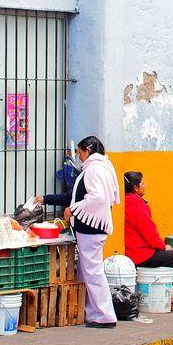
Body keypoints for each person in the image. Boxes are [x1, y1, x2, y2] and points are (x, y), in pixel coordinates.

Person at [36, 136, 119, 328]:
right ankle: (92, 313)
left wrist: (73, 209)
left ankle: (105, 316)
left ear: (88, 150)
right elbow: (74, 195)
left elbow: (97, 197)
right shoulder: (102, 167)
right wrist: (45, 199)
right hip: (93, 228)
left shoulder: (94, 170)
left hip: (90, 228)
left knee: (93, 272)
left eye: (80, 152)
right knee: (88, 272)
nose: (79, 157)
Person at [123, 171, 173, 286]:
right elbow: (149, 232)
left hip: (128, 252)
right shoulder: (136, 203)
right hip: (139, 254)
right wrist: (163, 246)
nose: (144, 186)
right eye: (142, 183)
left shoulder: (123, 201)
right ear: (135, 187)